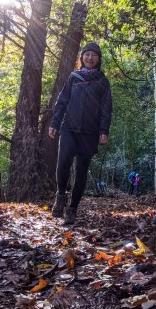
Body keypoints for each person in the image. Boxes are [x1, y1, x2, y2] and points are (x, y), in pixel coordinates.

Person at [49, 42, 112, 225]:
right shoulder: (73, 78)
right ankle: (61, 196)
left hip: (90, 132)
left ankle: (72, 209)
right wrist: (54, 123)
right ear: (82, 58)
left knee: (82, 170)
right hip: (69, 128)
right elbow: (62, 101)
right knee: (63, 164)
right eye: (87, 54)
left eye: (94, 55)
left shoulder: (102, 81)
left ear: (98, 59)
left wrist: (104, 130)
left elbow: (106, 108)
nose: (90, 58)